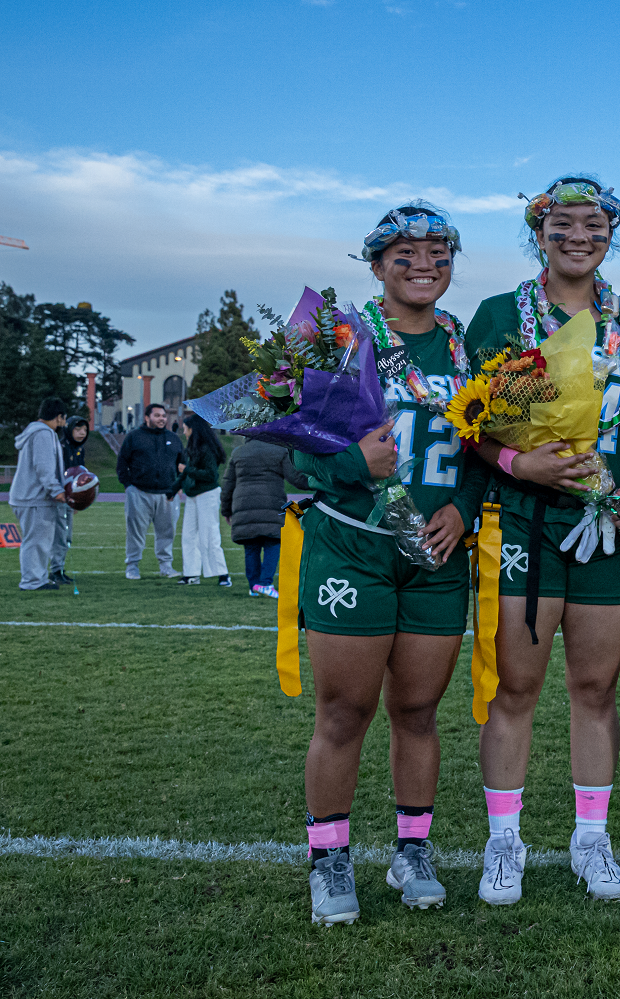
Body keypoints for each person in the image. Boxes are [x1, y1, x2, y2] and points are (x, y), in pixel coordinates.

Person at [463, 176, 620, 904]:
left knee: (596, 686)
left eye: (596, 224)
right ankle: (504, 843)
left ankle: (591, 840)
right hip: (525, 519)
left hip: (606, 520)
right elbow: (472, 424)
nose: (581, 236)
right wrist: (521, 461)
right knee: (517, 686)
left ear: (612, 232)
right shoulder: (499, 314)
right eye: (564, 224)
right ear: (538, 230)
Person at [297, 202, 487, 926]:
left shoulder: (462, 342)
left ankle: (412, 848)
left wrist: (464, 507)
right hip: (354, 544)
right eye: (403, 253)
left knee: (418, 709)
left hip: (435, 553)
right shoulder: (339, 336)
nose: (423, 264)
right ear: (375, 263)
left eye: (438, 252)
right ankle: (330, 857)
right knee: (345, 711)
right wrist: (351, 461)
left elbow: (484, 449)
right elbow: (287, 446)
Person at [221, 438, 310, 598]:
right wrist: (319, 482)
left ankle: (253, 585)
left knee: (251, 546)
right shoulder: (279, 450)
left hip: (244, 505)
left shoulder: (238, 452)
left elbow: (228, 484)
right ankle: (265, 583)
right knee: (273, 542)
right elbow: (295, 478)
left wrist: (226, 510)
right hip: (271, 503)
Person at [116, 402, 183, 580]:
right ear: (147, 418)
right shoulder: (134, 437)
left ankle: (166, 567)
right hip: (139, 492)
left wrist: (178, 486)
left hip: (167, 494)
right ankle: (132, 567)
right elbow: (122, 464)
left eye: (163, 415)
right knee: (135, 533)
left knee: (167, 533)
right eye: (157, 415)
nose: (162, 419)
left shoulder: (174, 438)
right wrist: (128, 486)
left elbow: (182, 464)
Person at [11, 398, 68, 591]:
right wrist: (57, 491)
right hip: (35, 498)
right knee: (37, 542)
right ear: (59, 417)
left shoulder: (35, 432)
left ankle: (39, 578)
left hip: (28, 496)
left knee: (38, 541)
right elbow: (44, 467)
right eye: (63, 418)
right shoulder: (44, 434)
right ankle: (32, 581)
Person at [171, 412, 231, 587]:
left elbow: (210, 475)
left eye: (185, 428)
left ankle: (223, 574)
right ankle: (191, 574)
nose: (184, 431)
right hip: (193, 495)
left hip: (207, 494)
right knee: (188, 536)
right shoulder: (193, 446)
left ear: (192, 429)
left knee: (210, 535)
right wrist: (173, 490)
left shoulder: (206, 449)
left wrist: (186, 471)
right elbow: (188, 471)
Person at [49, 416, 90, 585]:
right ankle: (55, 570)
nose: (82, 433)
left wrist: (78, 500)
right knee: (59, 535)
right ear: (69, 429)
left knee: (66, 535)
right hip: (58, 498)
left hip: (68, 499)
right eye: (78, 429)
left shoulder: (79, 449)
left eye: (85, 430)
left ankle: (59, 568)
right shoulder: (60, 447)